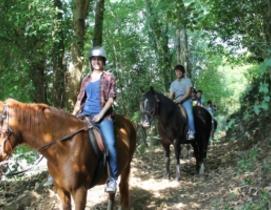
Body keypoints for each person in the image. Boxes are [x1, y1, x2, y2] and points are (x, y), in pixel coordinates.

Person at [72, 46, 118, 193]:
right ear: (91, 62)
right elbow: (80, 100)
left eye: (99, 59)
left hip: (103, 116)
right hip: (84, 115)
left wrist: (100, 115)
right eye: (94, 59)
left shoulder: (109, 77)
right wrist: (73, 116)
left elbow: (111, 99)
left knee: (110, 145)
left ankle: (112, 179)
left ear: (103, 61)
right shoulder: (86, 79)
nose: (96, 62)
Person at [169, 64, 195, 140]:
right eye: (176, 71)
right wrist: (169, 102)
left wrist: (179, 100)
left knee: (189, 114)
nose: (178, 73)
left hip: (186, 100)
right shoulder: (173, 83)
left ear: (183, 72)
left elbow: (188, 93)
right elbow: (171, 96)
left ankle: (191, 132)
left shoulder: (187, 80)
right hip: (176, 101)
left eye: (179, 71)